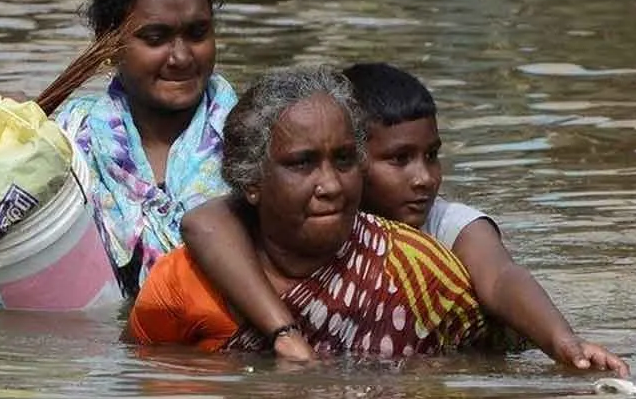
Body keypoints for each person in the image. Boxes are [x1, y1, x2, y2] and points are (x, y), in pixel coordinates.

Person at [181, 63, 629, 376]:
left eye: (432, 156)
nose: (423, 178)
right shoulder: (301, 219)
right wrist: (284, 332)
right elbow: (205, 220)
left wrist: (562, 341)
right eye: (398, 160)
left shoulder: (448, 226)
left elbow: (501, 277)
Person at [0, 0, 236, 297]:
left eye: (198, 33)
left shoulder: (254, 138)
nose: (182, 56)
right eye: (155, 38)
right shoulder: (62, 141)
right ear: (108, 44)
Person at [127, 66, 494, 355]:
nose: (332, 185)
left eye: (345, 160)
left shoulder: (418, 273)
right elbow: (146, 388)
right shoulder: (183, 283)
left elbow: (481, 372)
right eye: (302, 164)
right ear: (251, 181)